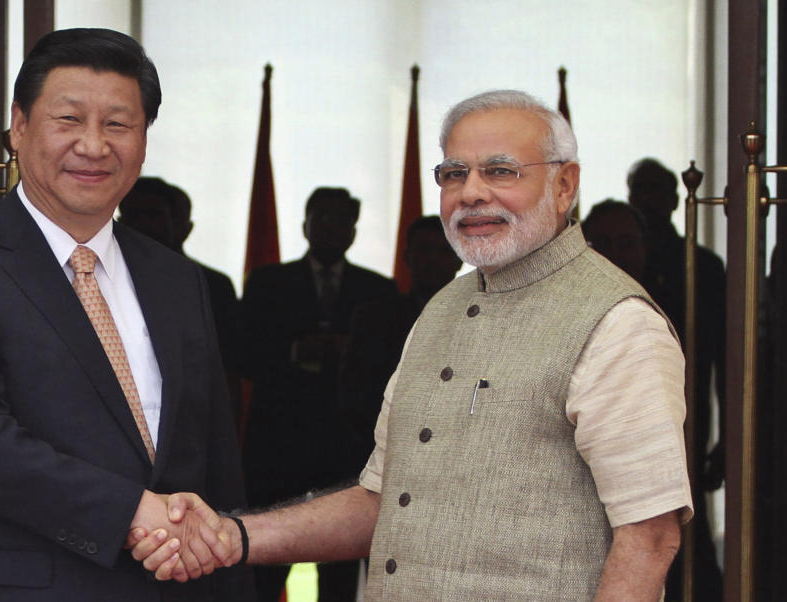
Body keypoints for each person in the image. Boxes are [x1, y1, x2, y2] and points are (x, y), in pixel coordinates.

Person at [133, 89, 693, 601]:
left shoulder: (615, 323)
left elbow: (649, 539)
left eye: (501, 171)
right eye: (453, 174)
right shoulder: (441, 310)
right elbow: (386, 503)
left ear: (565, 185)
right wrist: (235, 536)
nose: (471, 193)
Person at [0, 28, 252, 601]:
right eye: (69, 120)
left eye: (118, 124)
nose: (93, 145)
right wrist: (133, 511)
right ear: (18, 126)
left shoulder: (176, 279)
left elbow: (213, 459)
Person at [239, 187, 396, 601]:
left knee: (340, 580)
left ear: (353, 230)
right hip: (278, 445)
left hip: (346, 451)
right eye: (320, 218)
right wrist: (295, 351)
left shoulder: (378, 289)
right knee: (264, 569)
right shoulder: (269, 282)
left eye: (339, 220)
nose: (329, 228)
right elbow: (240, 353)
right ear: (305, 225)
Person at [627, 157, 726, 601]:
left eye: (655, 190)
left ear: (673, 199)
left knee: (688, 524)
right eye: (640, 190)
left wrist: (725, 439)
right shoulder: (615, 262)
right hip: (625, 409)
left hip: (685, 408)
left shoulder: (701, 265)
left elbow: (724, 353)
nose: (648, 199)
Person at [338, 215, 462, 475]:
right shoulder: (373, 317)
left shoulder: (482, 316)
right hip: (382, 453)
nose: (433, 260)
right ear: (407, 257)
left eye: (443, 250)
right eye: (424, 250)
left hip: (454, 455)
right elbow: (355, 394)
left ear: (459, 257)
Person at [119, 178, 243, 426]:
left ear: (176, 224)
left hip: (192, 422)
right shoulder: (95, 277)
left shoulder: (211, 285)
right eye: (134, 215)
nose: (143, 224)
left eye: (152, 215)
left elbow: (228, 371)